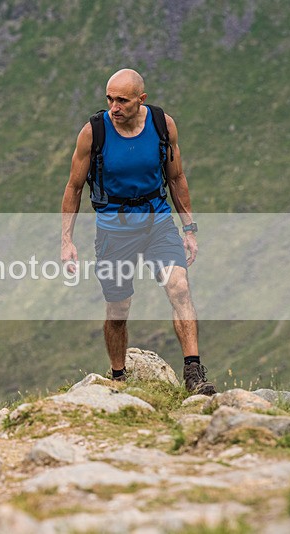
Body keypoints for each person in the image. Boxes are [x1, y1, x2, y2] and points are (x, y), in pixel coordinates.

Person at [61, 69, 216, 395]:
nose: (114, 107)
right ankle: (119, 379)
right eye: (109, 99)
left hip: (157, 222)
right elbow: (74, 187)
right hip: (113, 231)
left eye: (122, 100)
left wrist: (189, 228)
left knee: (179, 288)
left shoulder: (163, 126)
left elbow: (176, 178)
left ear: (140, 100)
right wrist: (66, 240)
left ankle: (194, 373)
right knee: (118, 311)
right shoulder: (94, 132)